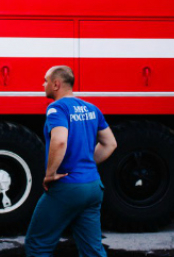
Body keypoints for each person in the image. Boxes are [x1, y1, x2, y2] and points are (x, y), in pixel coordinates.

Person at [25, 65, 118, 257]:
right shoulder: (92, 109)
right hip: (93, 186)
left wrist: (50, 174)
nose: (43, 85)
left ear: (56, 84)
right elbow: (110, 144)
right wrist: (85, 164)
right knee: (92, 250)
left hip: (67, 187)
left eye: (46, 81)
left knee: (37, 244)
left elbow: (59, 141)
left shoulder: (57, 108)